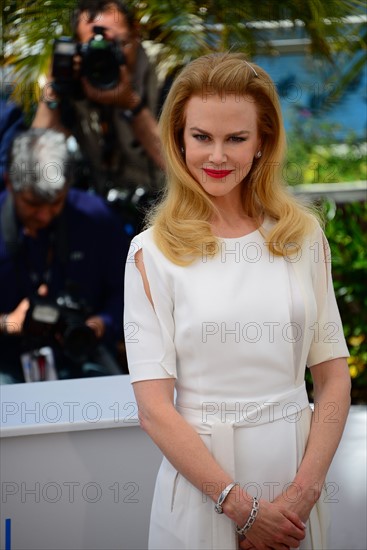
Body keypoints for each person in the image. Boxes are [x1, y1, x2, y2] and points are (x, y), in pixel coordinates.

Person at [123, 53, 351, 550]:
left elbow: (333, 378)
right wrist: (244, 511)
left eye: (236, 138)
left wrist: (301, 495)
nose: (217, 157)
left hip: (298, 488)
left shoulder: (303, 237)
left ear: (263, 142)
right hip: (205, 493)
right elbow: (154, 409)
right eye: (201, 137)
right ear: (179, 139)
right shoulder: (151, 253)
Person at [0, 128, 129, 384]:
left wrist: (101, 324)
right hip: (7, 358)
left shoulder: (96, 218)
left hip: (81, 353)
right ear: (9, 183)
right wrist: (7, 322)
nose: (45, 216)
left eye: (56, 203)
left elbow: (128, 290)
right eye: (33, 204)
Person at [32, 0, 164, 227]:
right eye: (93, 48)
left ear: (136, 34)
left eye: (118, 45)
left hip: (165, 209)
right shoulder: (74, 81)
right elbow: (34, 167)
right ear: (78, 48)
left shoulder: (167, 74)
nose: (106, 59)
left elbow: (181, 165)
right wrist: (55, 89)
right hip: (106, 213)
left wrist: (131, 104)